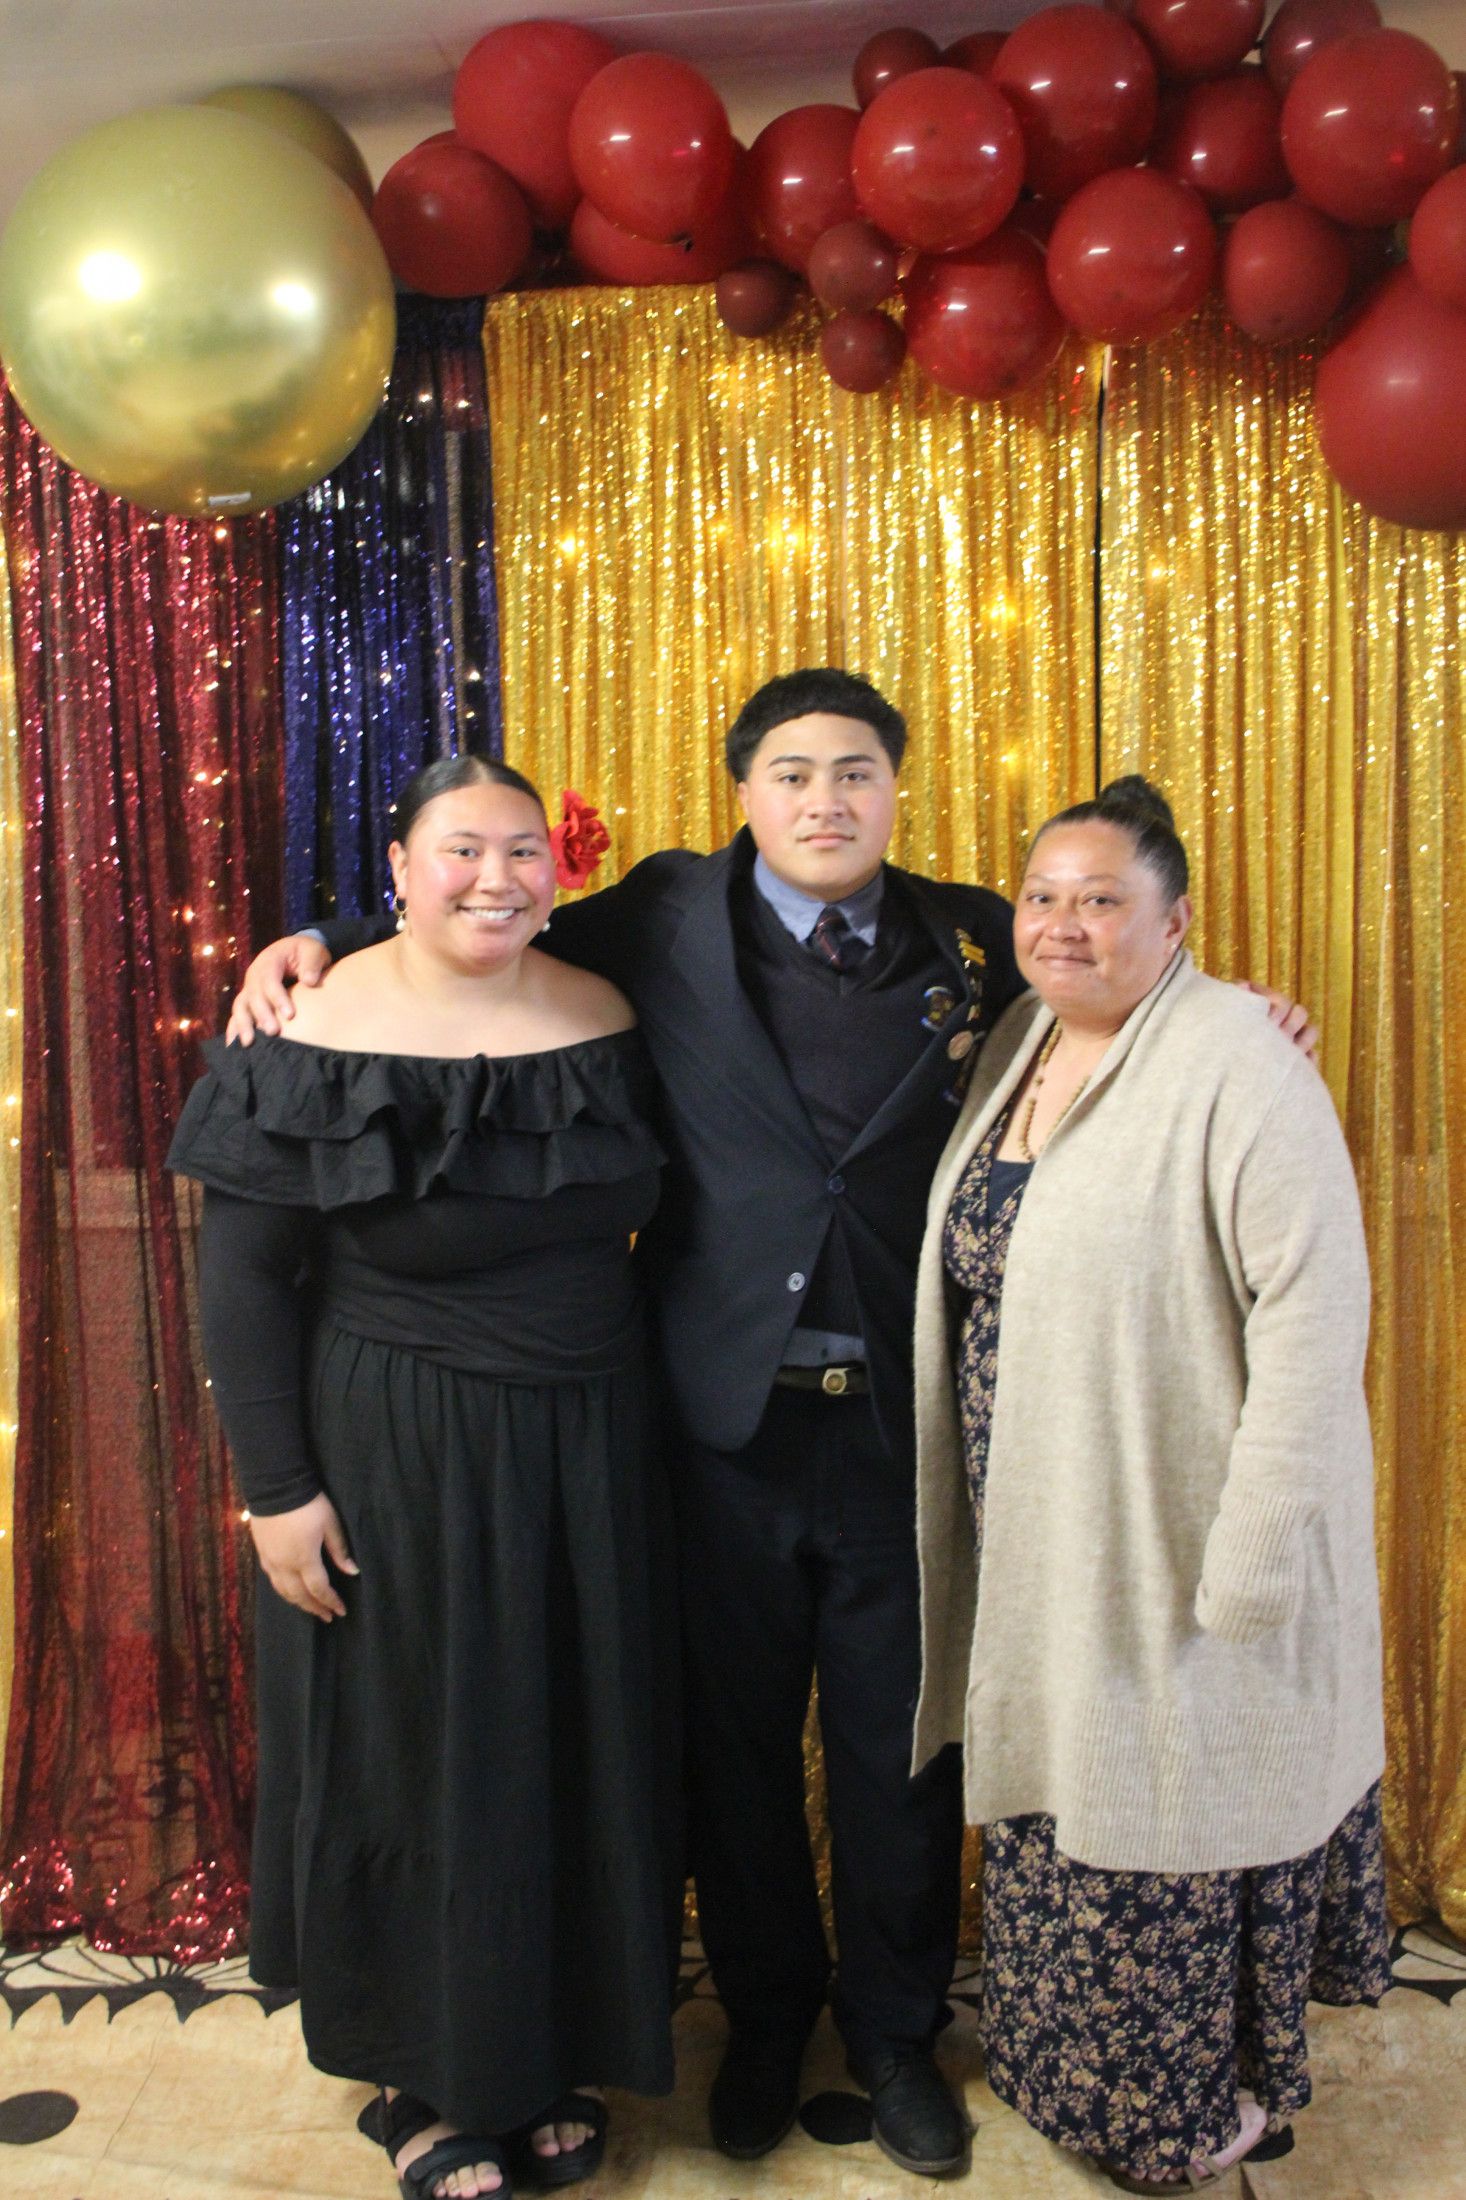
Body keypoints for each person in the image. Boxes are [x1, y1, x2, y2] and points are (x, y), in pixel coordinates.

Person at [229, 673, 1316, 2180]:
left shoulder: (977, 935)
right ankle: (761, 2021)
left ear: (896, 790)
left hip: (905, 1436)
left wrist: (1240, 1008)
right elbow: (479, 914)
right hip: (707, 1434)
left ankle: (893, 2037)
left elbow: (1113, 971)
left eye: (855, 772)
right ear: (742, 792)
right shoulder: (660, 918)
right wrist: (316, 940)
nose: (825, 799)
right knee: (731, 1757)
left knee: (899, 1761)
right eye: (792, 773)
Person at [170, 755, 679, 2200]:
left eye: (523, 850)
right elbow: (243, 1282)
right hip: (390, 1445)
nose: (494, 878)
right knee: (409, 1754)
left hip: (590, 1441)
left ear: (557, 869)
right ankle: (420, 2078)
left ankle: (550, 2047)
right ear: (395, 868)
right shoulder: (309, 1025)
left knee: (566, 1745)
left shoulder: (613, 1007)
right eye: (460, 850)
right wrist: (277, 1489)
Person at [910, 777, 1389, 2192]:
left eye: (1103, 899)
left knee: (1162, 1808)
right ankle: (1059, 2071)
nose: (1064, 923)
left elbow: (1316, 1315)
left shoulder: (1239, 1059)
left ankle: (1177, 2110)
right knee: (1059, 1792)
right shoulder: (1016, 1040)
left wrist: (1257, 1544)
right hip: (1040, 1522)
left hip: (1171, 1529)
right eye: (1041, 896)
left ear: (1173, 923)